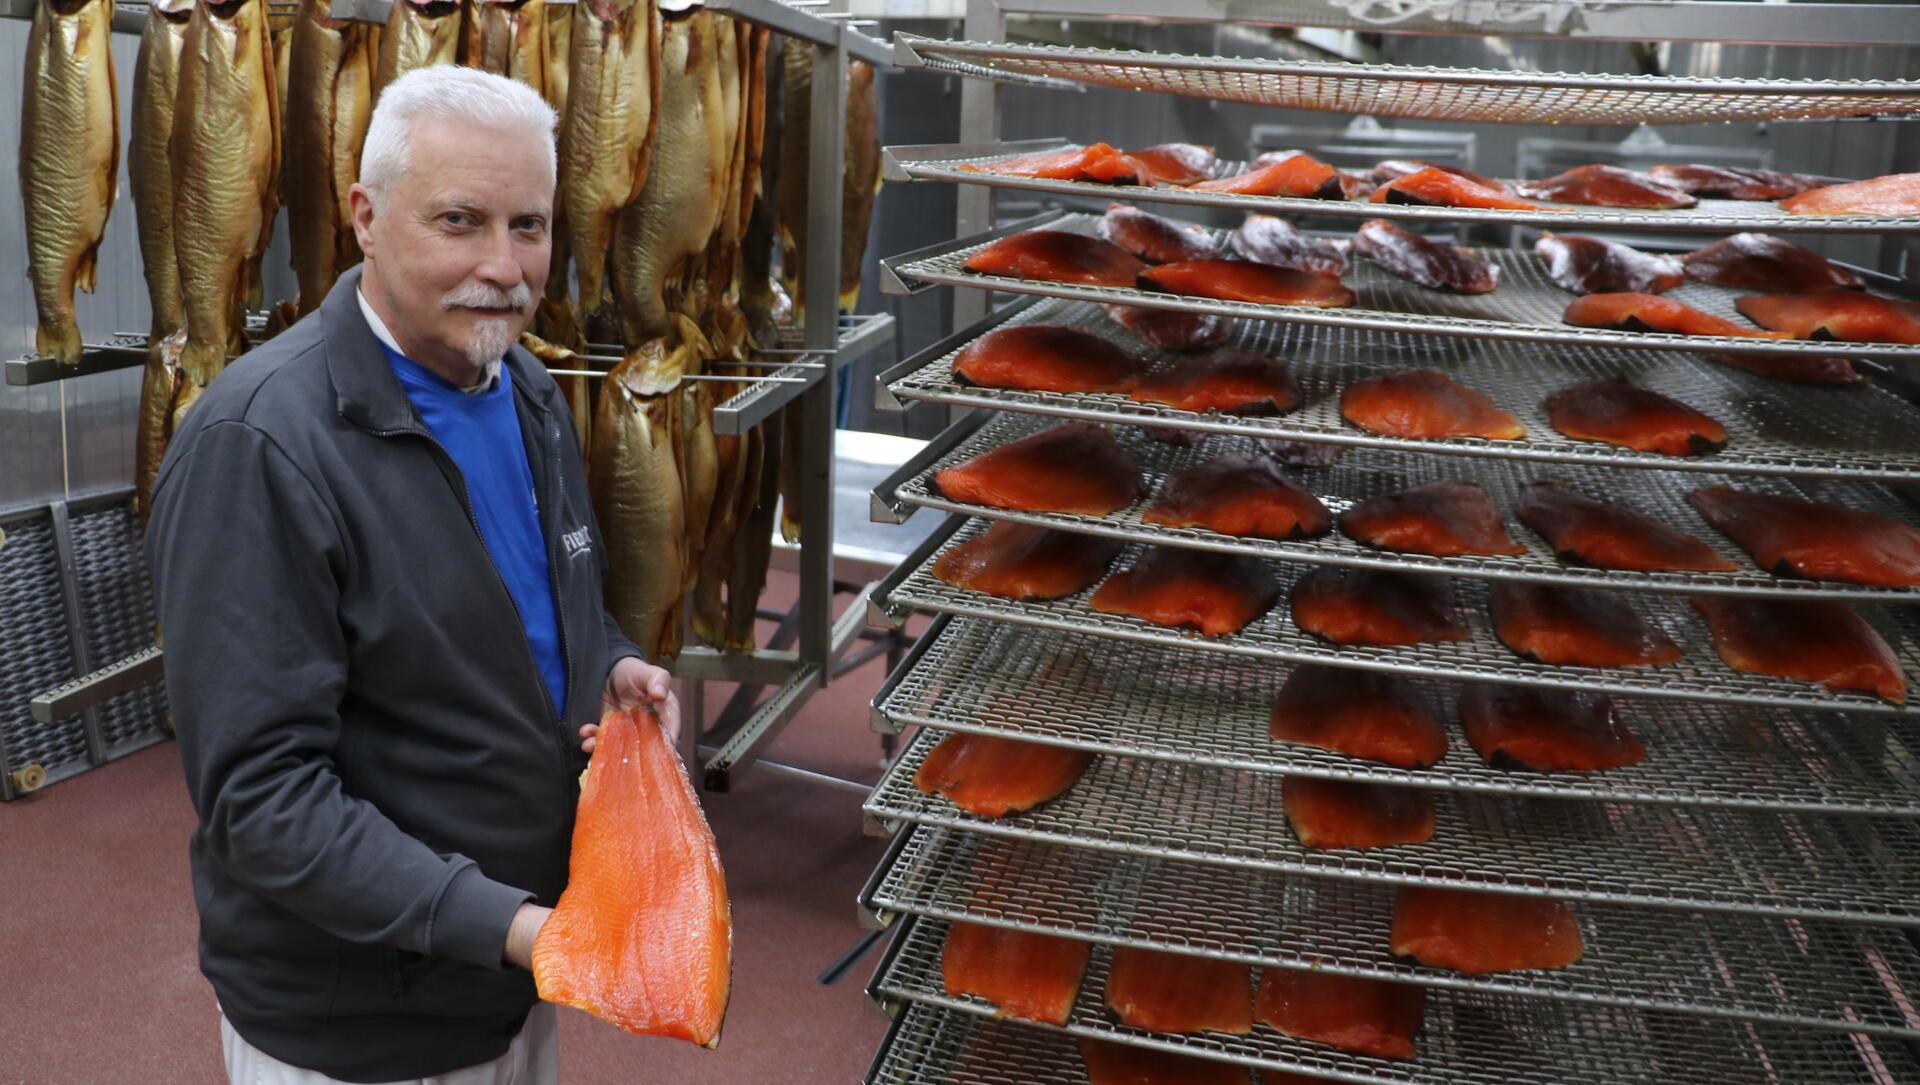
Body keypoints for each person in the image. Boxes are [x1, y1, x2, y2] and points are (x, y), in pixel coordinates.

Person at [144, 65, 677, 1085]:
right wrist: (517, 926)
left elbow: (546, 601)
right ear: (365, 218)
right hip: (362, 1024)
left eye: (529, 224)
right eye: (460, 220)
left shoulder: (522, 387)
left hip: (506, 978)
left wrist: (606, 664)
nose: (504, 266)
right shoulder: (260, 445)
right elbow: (263, 800)